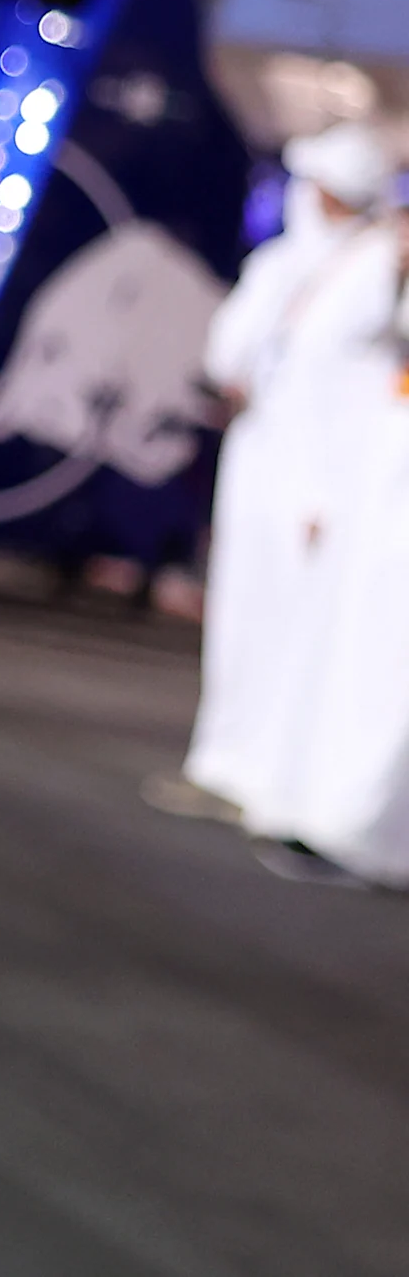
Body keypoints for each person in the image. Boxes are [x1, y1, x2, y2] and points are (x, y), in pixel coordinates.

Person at [182, 123, 399, 859]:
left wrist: (328, 493)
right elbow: (233, 352)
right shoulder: (292, 264)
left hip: (333, 484)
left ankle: (286, 783)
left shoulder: (374, 268)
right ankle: (239, 765)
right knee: (247, 610)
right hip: (274, 464)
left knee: (309, 633)